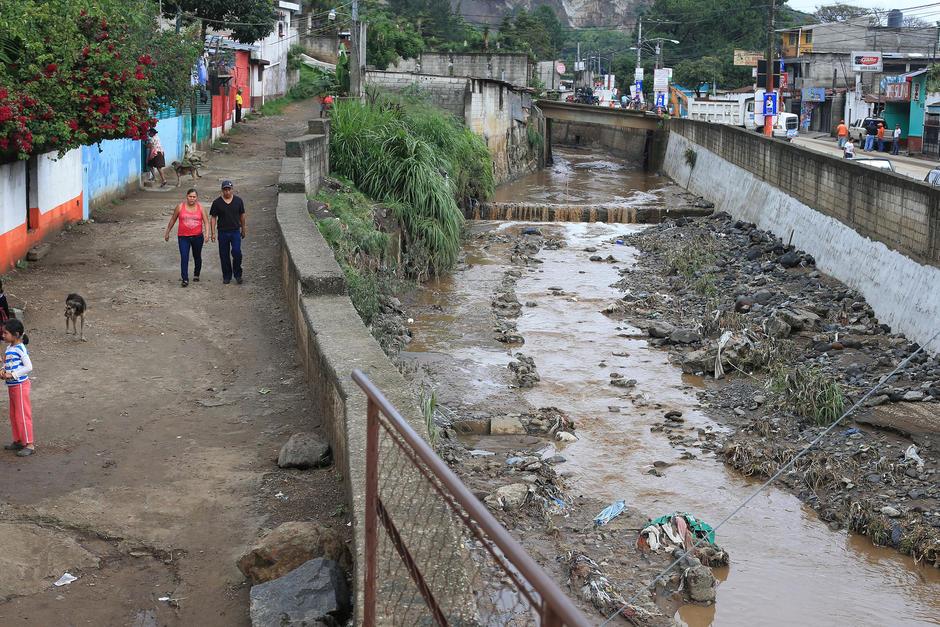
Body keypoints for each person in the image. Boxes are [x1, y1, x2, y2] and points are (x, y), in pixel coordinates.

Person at [164, 188, 210, 287]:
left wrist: (207, 234)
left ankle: (196, 274)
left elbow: (206, 222)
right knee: (184, 257)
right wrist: (167, 232)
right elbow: (173, 220)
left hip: (197, 237)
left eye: (194, 197)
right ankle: (185, 279)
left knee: (197, 256)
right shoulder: (180, 207)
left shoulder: (201, 208)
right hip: (183, 237)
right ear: (187, 197)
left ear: (196, 198)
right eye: (190, 196)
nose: (192, 199)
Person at [2, 319, 33, 457]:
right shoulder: (9, 348)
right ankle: (19, 440)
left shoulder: (20, 348)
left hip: (20, 386)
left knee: (22, 415)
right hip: (12, 386)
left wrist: (12, 374)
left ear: (16, 334)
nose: (3, 335)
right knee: (14, 415)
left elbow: (29, 367)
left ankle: (30, 444)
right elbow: (7, 363)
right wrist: (3, 371)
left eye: (6, 333)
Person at [210, 180, 246, 285]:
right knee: (224, 255)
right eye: (225, 190)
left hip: (235, 231)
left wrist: (243, 229)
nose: (227, 192)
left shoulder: (238, 201)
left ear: (232, 190)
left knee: (237, 252)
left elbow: (242, 215)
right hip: (223, 232)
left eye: (229, 189)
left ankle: (238, 274)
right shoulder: (217, 203)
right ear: (222, 190)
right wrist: (213, 233)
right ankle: (227, 276)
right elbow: (213, 218)